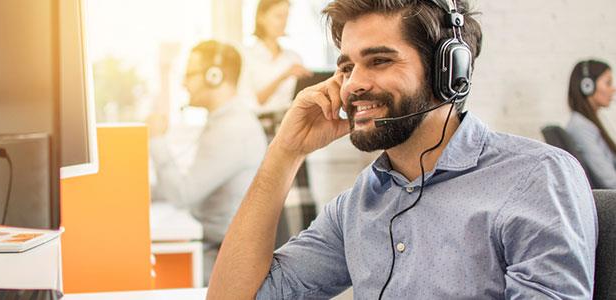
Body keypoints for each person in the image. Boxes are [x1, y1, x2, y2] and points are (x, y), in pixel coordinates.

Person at [208, 0, 598, 299]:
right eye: (345, 67)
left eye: (378, 60)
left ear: (449, 71)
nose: (352, 85)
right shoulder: (359, 204)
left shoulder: (536, 178)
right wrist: (285, 151)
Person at [147, 40, 267, 284]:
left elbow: (182, 194)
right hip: (215, 247)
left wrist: (158, 140)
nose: (184, 83)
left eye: (190, 75)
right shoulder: (224, 122)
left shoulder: (232, 130)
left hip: (220, 259)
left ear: (215, 76)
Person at [241, 0, 313, 117]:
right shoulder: (246, 57)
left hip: (289, 122)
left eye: (286, 16)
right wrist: (283, 76)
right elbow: (255, 101)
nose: (284, 22)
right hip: (259, 125)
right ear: (261, 17)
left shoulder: (294, 58)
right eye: (279, 16)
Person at [566, 59, 616, 188]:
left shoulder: (586, 124)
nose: (613, 89)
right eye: (608, 83)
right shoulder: (581, 127)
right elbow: (609, 180)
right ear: (587, 86)